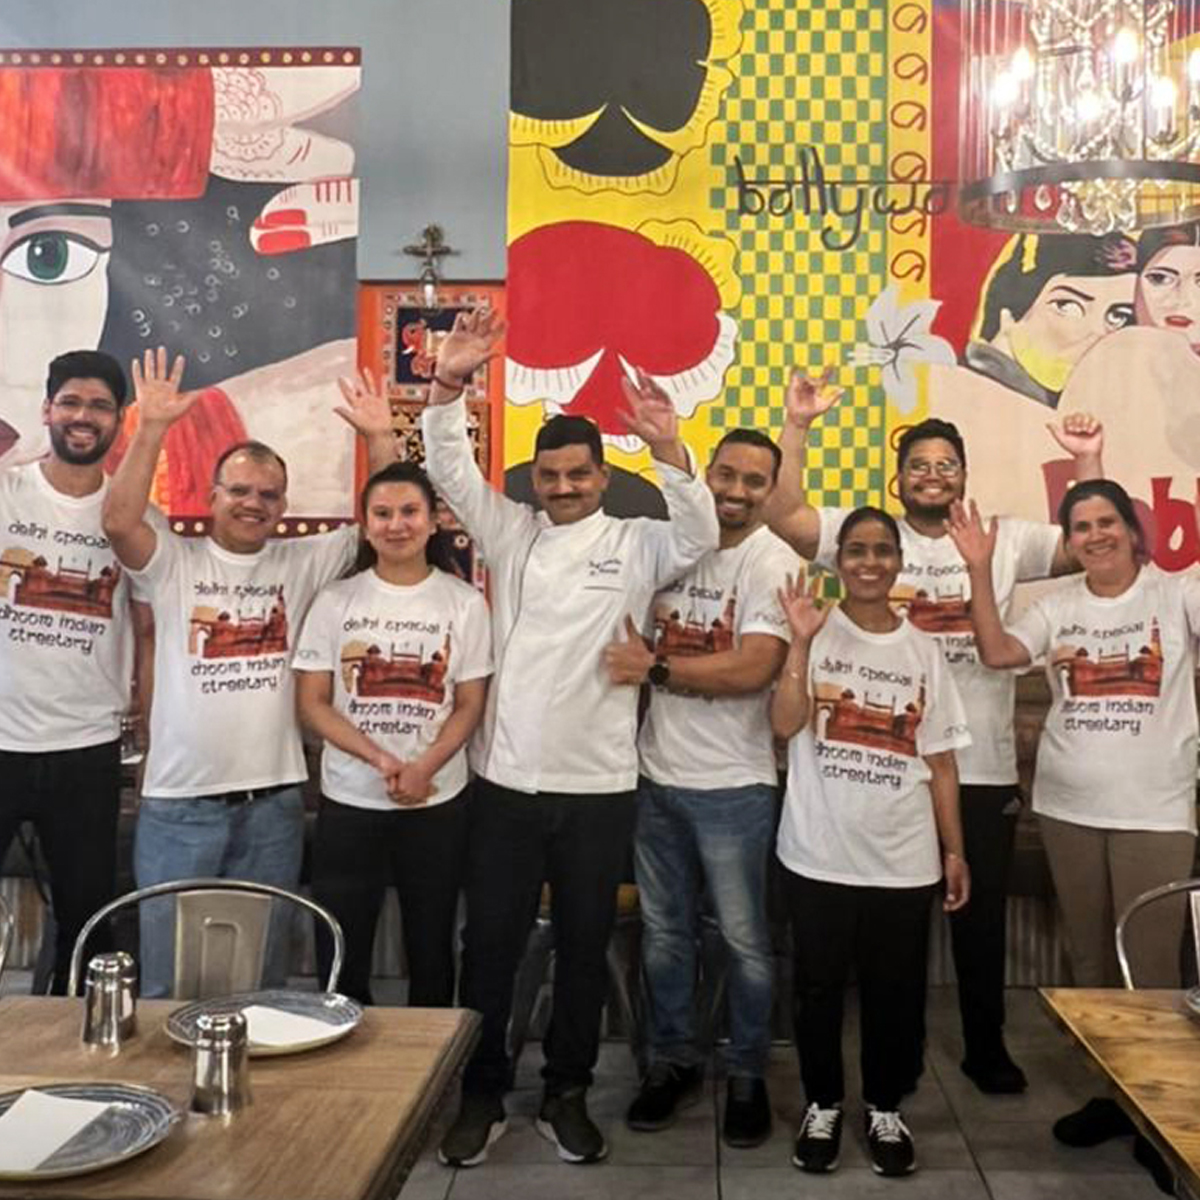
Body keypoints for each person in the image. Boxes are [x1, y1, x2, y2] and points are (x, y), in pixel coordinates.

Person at [424, 308, 719, 1168]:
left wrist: (667, 445)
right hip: (507, 785)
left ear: (600, 476)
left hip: (598, 788)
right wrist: (449, 382)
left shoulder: (637, 543)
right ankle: (482, 1093)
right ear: (535, 481)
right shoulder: (510, 532)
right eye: (550, 475)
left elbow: (700, 532)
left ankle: (566, 1093)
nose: (563, 487)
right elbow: (449, 467)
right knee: (490, 949)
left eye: (577, 474)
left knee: (585, 951)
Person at [765, 372, 1104, 1095]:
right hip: (884, 770)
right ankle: (900, 1053)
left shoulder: (1001, 539)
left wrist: (1085, 459)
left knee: (978, 919)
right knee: (893, 928)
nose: (932, 474)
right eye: (918, 464)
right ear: (899, 479)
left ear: (963, 477)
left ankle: (986, 1046)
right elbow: (786, 515)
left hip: (974, 765)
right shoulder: (870, 540)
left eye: (946, 464)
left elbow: (1088, 546)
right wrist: (797, 425)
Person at [101, 348, 396, 997]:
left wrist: (380, 438)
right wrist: (152, 427)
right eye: (239, 491)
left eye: (267, 494)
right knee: (168, 987)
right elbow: (119, 520)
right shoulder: (173, 562)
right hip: (179, 806)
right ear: (212, 496)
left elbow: (383, 521)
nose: (253, 503)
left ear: (283, 503)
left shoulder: (302, 563)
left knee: (260, 988)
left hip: (274, 806)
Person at [947, 481, 1198, 1159]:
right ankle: (1113, 1095)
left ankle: (1161, 1112)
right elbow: (998, 653)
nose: (1095, 536)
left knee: (1150, 968)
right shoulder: (1058, 606)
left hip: (1154, 813)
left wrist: (1089, 460)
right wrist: (978, 568)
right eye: (1081, 526)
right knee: (1090, 961)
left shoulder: (1176, 595)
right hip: (1067, 808)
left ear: (1133, 531)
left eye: (1107, 521)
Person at [602, 428, 796, 1147]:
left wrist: (655, 668)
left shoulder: (773, 560)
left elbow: (754, 667)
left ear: (770, 491)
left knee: (744, 943)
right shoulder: (668, 546)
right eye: (727, 475)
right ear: (705, 476)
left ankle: (746, 1073)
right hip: (654, 779)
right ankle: (674, 1062)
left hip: (735, 789)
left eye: (754, 480)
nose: (736, 491)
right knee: (665, 937)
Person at [771, 506, 970, 1177]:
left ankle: (885, 1105)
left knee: (895, 993)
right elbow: (784, 724)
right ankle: (822, 1103)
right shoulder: (813, 629)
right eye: (855, 550)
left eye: (882, 550)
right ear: (838, 561)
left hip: (902, 858)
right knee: (817, 988)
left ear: (898, 563)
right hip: (817, 851)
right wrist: (800, 645)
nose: (868, 562)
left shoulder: (925, 652)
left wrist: (954, 851)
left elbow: (941, 762)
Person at [294, 461, 491, 1006]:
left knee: (431, 945)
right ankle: (341, 1047)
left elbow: (470, 704)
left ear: (434, 521)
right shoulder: (336, 600)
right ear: (365, 525)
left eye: (409, 512)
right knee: (342, 946)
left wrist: (424, 767)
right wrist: (381, 760)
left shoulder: (464, 602)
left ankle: (432, 1053)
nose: (396, 524)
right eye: (382, 513)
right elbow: (313, 703)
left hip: (437, 802)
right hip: (350, 800)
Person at [0, 349, 145, 992]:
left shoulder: (133, 519)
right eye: (71, 402)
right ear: (47, 411)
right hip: (1, 737)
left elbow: (147, 625)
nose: (84, 417)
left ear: (118, 421)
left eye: (100, 406)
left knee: (87, 921)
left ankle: (75, 1040)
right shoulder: (6, 493)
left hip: (86, 746)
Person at [963, 231, 1136, 406]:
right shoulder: (969, 390)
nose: (1098, 335)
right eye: (1067, 306)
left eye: (1118, 317)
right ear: (1009, 311)